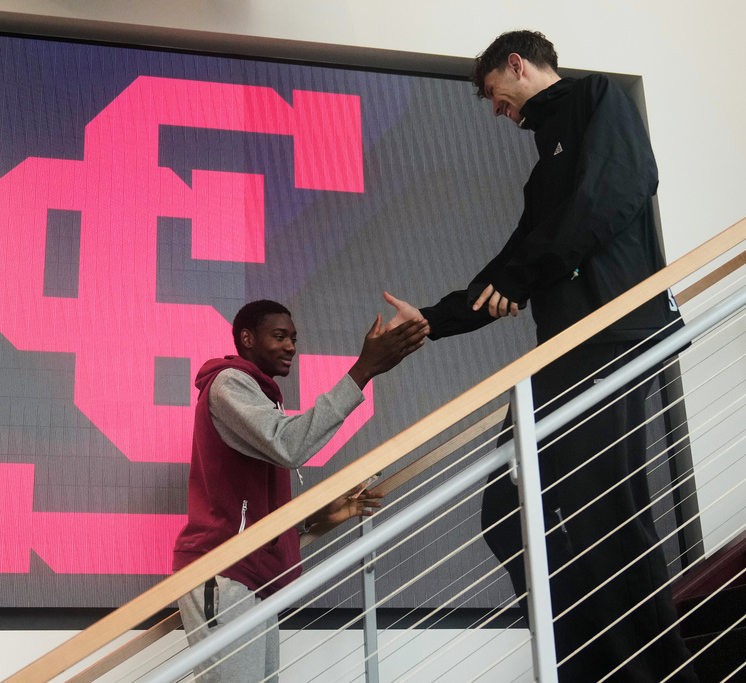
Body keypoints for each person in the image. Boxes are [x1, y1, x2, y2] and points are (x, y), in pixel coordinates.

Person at [384, 30, 697, 682]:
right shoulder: (540, 175)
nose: (501, 113)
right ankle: (590, 664)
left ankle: (659, 671)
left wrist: (530, 273)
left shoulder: (597, 100)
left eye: (498, 98)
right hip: (562, 352)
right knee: (505, 514)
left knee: (606, 512)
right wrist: (433, 320)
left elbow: (614, 193)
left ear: (518, 64)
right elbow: (508, 269)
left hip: (613, 335)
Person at [172, 299, 429, 683]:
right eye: (279, 336)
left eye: (294, 338)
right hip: (222, 570)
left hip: (250, 576)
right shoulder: (229, 383)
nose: (291, 346)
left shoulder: (262, 395)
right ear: (247, 338)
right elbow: (288, 444)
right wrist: (362, 371)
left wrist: (314, 518)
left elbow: (251, 507)